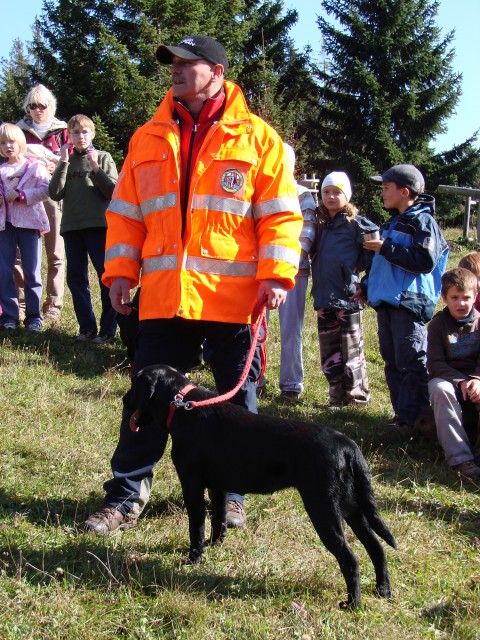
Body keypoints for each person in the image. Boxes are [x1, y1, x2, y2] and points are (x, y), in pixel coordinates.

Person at [83, 35, 303, 536]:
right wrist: (120, 273)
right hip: (164, 298)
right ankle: (124, 497)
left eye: (187, 63)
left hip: (235, 302)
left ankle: (232, 496)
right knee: (145, 401)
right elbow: (126, 215)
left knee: (236, 405)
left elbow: (281, 217)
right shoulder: (148, 137)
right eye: (172, 64)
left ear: (218, 73)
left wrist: (275, 275)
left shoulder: (259, 139)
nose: (176, 71)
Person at [362, 164, 449, 429]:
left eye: (386, 188)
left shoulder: (423, 222)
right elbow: (383, 265)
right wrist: (364, 286)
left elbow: (424, 260)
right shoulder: (392, 222)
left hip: (409, 302)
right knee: (392, 360)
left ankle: (418, 420)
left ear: (404, 191)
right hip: (388, 301)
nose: (382, 194)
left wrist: (386, 247)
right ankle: (402, 416)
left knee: (410, 361)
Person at [49, 114, 118, 343]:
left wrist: (96, 169)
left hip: (99, 225)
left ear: (93, 134)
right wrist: (63, 162)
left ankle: (108, 330)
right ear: (69, 136)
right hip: (71, 227)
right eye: (75, 132)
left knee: (105, 277)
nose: (80, 136)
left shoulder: (104, 157)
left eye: (85, 132)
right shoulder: (66, 161)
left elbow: (113, 192)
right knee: (76, 278)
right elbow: (54, 193)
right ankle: (87, 328)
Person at [311, 171, 377, 409]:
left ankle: (357, 397)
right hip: (323, 297)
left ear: (346, 196)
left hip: (347, 298)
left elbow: (375, 253)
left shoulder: (355, 224)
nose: (330, 196)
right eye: (326, 192)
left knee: (351, 352)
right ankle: (336, 396)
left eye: (337, 192)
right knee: (329, 352)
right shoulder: (319, 223)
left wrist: (364, 283)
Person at [16, 84, 69, 321]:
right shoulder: (18, 130)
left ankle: (54, 307)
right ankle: (22, 305)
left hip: (53, 196)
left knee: (55, 252)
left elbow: (76, 158)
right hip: (23, 200)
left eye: (42, 106)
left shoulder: (63, 131)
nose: (37, 110)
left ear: (51, 106)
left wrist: (56, 165)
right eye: (33, 106)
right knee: (22, 254)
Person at [427, 267, 480, 479]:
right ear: (444, 298)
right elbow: (434, 363)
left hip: (476, 379)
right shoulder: (438, 325)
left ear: (475, 296)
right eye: (455, 297)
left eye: (466, 297)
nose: (461, 303)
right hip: (448, 378)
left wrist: (476, 379)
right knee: (440, 389)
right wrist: (461, 382)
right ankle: (461, 460)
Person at [275, 143, 318, 403]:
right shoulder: (261, 189)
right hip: (261, 272)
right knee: (255, 331)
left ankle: (291, 384)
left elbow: (308, 231)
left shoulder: (302, 194)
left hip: (294, 272)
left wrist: (288, 264)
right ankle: (254, 378)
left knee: (291, 330)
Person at [0, 123, 50, 331]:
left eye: (11, 141)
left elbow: (46, 190)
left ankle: (33, 317)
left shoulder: (35, 167)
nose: (8, 146)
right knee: (4, 271)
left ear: (20, 142)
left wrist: (22, 196)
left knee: (32, 272)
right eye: (3, 143)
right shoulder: (1, 170)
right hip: (5, 226)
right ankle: (10, 316)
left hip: (30, 224)